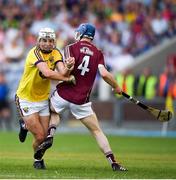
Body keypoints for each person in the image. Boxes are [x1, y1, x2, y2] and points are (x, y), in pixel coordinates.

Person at [34, 23, 127, 171]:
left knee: (53, 111)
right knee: (97, 131)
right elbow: (104, 74)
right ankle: (113, 162)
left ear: (81, 33)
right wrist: (116, 86)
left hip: (63, 94)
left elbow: (64, 71)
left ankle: (51, 133)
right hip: (81, 100)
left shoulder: (70, 47)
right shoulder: (98, 53)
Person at [15, 27, 75, 169]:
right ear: (39, 41)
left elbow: (63, 72)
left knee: (43, 137)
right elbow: (48, 73)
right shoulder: (34, 53)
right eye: (44, 40)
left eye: (50, 41)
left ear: (54, 42)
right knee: (41, 136)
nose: (47, 43)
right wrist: (67, 79)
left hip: (42, 99)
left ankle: (37, 160)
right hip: (26, 98)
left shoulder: (56, 52)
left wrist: (69, 66)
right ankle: (24, 124)